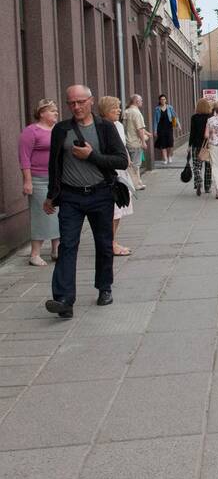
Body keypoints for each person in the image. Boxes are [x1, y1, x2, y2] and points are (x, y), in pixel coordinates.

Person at [43, 85, 128, 318]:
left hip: (100, 194)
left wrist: (92, 156)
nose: (76, 107)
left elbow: (121, 161)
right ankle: (63, 299)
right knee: (67, 246)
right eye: (71, 103)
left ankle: (104, 288)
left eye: (80, 102)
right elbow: (54, 165)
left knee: (103, 243)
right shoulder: (61, 130)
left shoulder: (106, 127)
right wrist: (51, 196)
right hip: (71, 196)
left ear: (91, 101)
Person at [19, 98, 61, 266]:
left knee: (58, 214)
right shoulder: (31, 131)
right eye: (52, 110)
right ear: (42, 113)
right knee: (41, 215)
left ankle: (56, 249)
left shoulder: (57, 130)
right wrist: (27, 181)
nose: (56, 113)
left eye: (56, 110)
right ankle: (34, 254)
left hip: (56, 179)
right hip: (38, 180)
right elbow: (24, 157)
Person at [97, 97, 134, 256]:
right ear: (106, 110)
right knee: (113, 210)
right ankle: (110, 244)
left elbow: (121, 146)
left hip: (121, 170)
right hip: (110, 172)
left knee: (119, 208)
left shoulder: (118, 125)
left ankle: (112, 240)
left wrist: (127, 158)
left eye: (119, 107)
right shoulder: (100, 127)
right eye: (115, 108)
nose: (119, 110)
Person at [122, 95, 150, 189]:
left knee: (132, 164)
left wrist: (147, 133)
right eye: (141, 100)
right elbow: (139, 129)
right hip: (135, 142)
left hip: (127, 141)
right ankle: (136, 184)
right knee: (136, 165)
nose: (142, 101)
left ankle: (137, 182)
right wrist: (143, 141)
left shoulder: (126, 112)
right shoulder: (136, 113)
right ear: (136, 101)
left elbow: (131, 127)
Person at [188, 98, 213, 196]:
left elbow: (192, 133)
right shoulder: (210, 117)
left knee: (196, 165)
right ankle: (207, 187)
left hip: (196, 145)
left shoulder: (194, 117)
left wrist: (189, 146)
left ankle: (198, 180)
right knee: (208, 166)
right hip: (207, 144)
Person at [152, 94, 176, 164]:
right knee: (163, 144)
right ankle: (165, 159)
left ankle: (169, 156)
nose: (163, 101)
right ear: (159, 100)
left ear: (166, 100)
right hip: (161, 128)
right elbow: (155, 121)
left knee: (170, 143)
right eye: (161, 99)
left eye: (164, 99)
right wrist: (155, 130)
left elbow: (174, 117)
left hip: (169, 127)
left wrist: (176, 126)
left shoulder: (170, 108)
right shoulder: (157, 109)